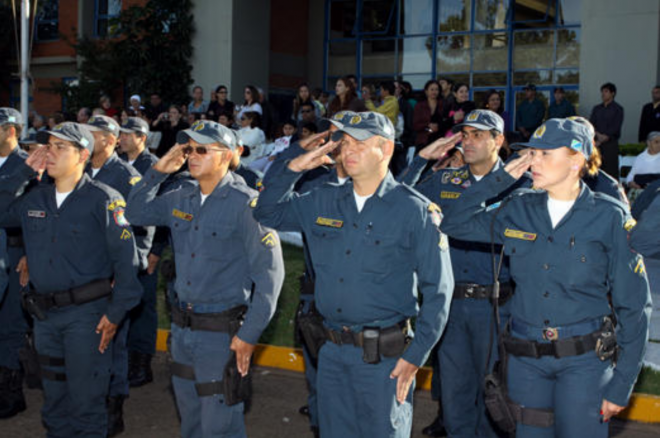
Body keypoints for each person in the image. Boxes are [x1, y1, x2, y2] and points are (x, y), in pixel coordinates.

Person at [441, 118, 652, 437]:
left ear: (576, 159)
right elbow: (452, 223)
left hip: (584, 363)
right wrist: (497, 181)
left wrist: (621, 383)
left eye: (544, 154)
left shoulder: (609, 216)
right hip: (526, 362)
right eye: (531, 154)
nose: (532, 162)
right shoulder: (517, 208)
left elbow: (634, 307)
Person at [254, 111, 454, 438]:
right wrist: (292, 169)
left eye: (360, 142)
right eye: (345, 142)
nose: (349, 150)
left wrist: (416, 356)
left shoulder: (414, 210)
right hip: (331, 352)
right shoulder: (322, 200)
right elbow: (267, 211)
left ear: (386, 149)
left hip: (386, 360)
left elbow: (439, 290)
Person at [125, 120, 284, 437]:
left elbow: (271, 277)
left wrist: (249, 335)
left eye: (202, 149)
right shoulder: (180, 195)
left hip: (221, 335)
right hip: (183, 330)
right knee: (192, 422)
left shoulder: (247, 205)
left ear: (227, 155)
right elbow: (134, 211)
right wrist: (158, 170)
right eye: (188, 149)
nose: (192, 156)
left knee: (219, 425)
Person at [0, 121, 142, 436]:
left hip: (88, 316)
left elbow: (126, 263)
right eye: (48, 146)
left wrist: (115, 314)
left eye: (60, 147)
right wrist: (23, 172)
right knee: (54, 403)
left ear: (82, 155)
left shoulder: (104, 198)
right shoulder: (35, 199)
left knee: (86, 404)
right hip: (45, 316)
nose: (49, 153)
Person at [401, 110, 526, 438]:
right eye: (465, 134)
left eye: (478, 135)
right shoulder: (446, 182)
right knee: (455, 397)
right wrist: (419, 162)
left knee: (495, 394)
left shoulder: (521, 186)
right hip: (452, 307)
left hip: (497, 309)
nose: (468, 142)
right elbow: (396, 203)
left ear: (498, 141)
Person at [117, 117, 162, 389]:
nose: (121, 139)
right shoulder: (121, 165)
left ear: (141, 137)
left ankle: (142, 363)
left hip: (145, 246)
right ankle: (128, 360)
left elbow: (162, 210)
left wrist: (156, 250)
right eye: (120, 134)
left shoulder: (153, 166)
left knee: (144, 306)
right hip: (123, 246)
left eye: (126, 134)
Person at [0, 108, 31, 419]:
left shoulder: (28, 165)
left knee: (10, 323)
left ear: (11, 131)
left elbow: (36, 216)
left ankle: (11, 389)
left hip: (13, 252)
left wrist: (29, 255)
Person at [590, 82, 624, 179]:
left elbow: (616, 127)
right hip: (597, 145)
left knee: (611, 173)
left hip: (610, 145)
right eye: (602, 92)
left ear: (612, 93)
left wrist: (603, 138)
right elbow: (591, 124)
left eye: (606, 91)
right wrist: (597, 135)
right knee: (595, 171)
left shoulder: (618, 109)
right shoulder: (597, 109)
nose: (603, 94)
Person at [413, 79, 443, 149]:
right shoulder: (419, 106)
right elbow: (415, 125)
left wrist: (438, 126)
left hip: (440, 140)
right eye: (432, 89)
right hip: (423, 140)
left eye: (436, 89)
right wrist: (428, 125)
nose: (434, 92)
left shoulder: (443, 104)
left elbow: (446, 122)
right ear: (426, 91)